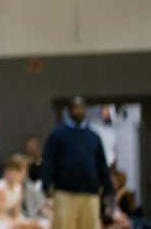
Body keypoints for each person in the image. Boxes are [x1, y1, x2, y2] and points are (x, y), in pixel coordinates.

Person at [41, 96, 111, 229]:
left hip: (90, 192)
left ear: (85, 110)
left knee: (90, 226)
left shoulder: (93, 136)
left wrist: (108, 187)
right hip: (65, 192)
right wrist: (46, 183)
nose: (78, 110)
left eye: (81, 108)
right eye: (75, 108)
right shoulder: (57, 134)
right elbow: (49, 160)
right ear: (69, 110)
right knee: (63, 226)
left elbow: (101, 164)